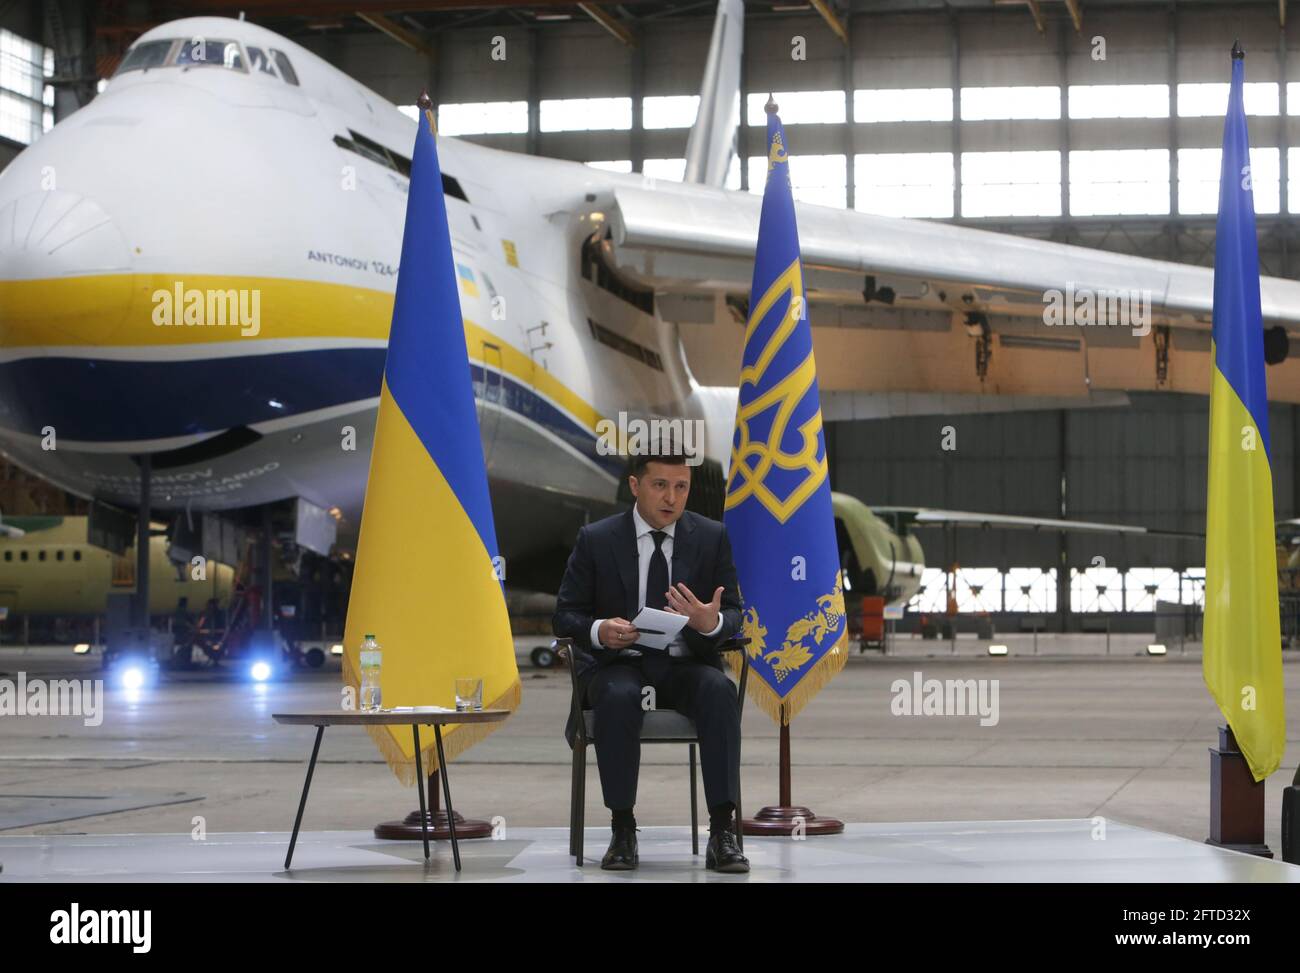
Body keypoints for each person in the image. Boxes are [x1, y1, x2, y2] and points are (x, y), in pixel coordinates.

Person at [553, 449, 749, 872]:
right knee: (619, 695)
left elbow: (733, 612)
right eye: (661, 485)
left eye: (682, 487)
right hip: (617, 664)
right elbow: (565, 614)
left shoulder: (711, 536)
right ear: (635, 486)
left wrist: (709, 622)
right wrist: (600, 629)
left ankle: (723, 831)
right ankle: (622, 828)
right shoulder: (598, 538)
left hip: (685, 664)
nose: (671, 498)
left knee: (719, 691)